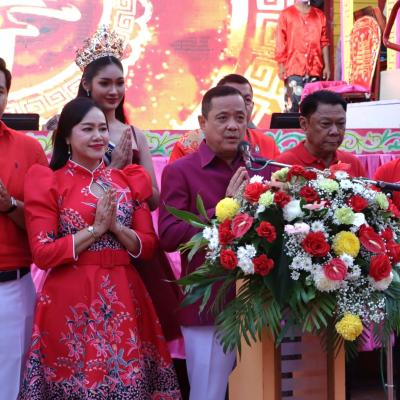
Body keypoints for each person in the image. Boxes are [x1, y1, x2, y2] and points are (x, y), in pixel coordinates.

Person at [18, 97, 181, 399]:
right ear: (66, 137)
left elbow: (147, 245)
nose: (98, 136)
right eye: (87, 129)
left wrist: (117, 228)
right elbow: (43, 253)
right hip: (70, 298)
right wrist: (95, 230)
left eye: (102, 129)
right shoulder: (49, 181)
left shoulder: (128, 180)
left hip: (124, 294)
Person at [74, 25, 185, 395]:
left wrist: (126, 174)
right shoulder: (72, 130)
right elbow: (65, 188)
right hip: (88, 244)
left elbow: (152, 198)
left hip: (133, 246)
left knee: (140, 335)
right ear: (87, 85)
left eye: (119, 83)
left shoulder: (133, 134)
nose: (114, 91)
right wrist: (113, 170)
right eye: (105, 83)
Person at [159, 85, 271, 400]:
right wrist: (223, 208)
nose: (233, 126)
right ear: (202, 122)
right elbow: (168, 235)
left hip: (259, 301)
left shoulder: (260, 169)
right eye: (222, 118)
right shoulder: (181, 171)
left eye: (240, 117)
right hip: (208, 305)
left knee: (261, 391)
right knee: (208, 393)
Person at [0, 57, 48, 400]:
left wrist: (9, 205)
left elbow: (43, 220)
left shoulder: (29, 149)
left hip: (11, 287)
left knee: (10, 386)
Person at [168, 73, 280, 163]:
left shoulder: (267, 144)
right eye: (231, 95)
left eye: (246, 99)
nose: (239, 103)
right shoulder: (187, 144)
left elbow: (279, 180)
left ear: (253, 105)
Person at [274, 90, 365, 177]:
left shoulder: (352, 163)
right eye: (325, 123)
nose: (335, 131)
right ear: (304, 124)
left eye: (341, 123)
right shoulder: (283, 164)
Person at [275, 0, 330, 112]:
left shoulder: (319, 15)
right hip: (293, 68)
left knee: (313, 109)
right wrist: (281, 65)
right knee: (293, 108)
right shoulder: (286, 14)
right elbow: (280, 41)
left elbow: (324, 42)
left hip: (315, 69)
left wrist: (327, 66)